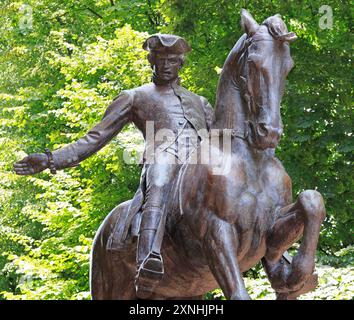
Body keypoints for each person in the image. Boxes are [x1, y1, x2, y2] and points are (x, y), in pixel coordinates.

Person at [14, 34, 213, 298]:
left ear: (181, 64)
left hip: (200, 174)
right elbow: (95, 138)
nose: (166, 66)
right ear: (151, 60)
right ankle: (148, 259)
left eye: (173, 60)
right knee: (162, 169)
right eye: (160, 59)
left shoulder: (200, 103)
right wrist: (51, 159)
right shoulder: (135, 97)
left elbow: (222, 146)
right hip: (162, 165)